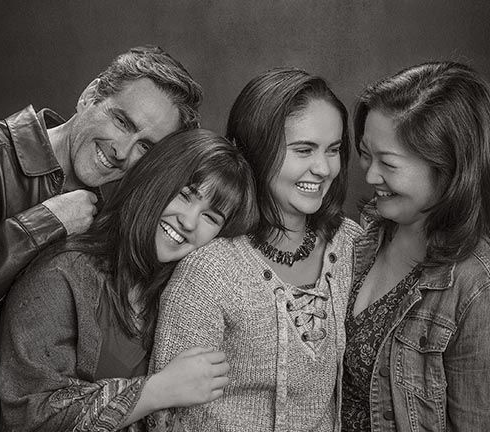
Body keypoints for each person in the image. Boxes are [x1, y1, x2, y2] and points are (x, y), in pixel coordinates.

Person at [0, 45, 202, 432]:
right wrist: (42, 224)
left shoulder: (101, 219)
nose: (122, 151)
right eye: (122, 121)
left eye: (146, 146)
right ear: (90, 95)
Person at [0, 128, 257, 431]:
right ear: (154, 180)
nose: (189, 222)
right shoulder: (62, 275)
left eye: (211, 217)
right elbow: (31, 418)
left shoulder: (184, 298)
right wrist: (157, 391)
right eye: (185, 195)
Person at [150, 68, 363, 431]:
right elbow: (167, 418)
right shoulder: (210, 269)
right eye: (304, 150)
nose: (323, 168)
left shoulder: (351, 242)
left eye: (333, 150)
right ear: (259, 150)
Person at [341, 61, 490, 431]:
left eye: (388, 164)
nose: (370, 175)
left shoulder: (487, 291)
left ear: (450, 170)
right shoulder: (359, 237)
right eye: (366, 153)